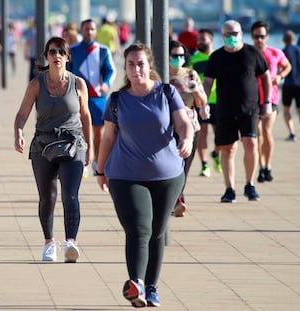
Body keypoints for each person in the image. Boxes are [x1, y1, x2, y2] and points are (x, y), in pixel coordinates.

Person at [96, 41, 194, 308]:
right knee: (139, 229)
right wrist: (100, 169)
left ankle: (152, 287)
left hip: (168, 175)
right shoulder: (117, 100)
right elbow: (108, 137)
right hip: (125, 175)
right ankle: (136, 284)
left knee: (157, 232)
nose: (136, 68)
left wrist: (186, 140)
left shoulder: (167, 92)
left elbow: (184, 122)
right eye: (130, 64)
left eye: (141, 63)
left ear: (149, 66)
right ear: (125, 68)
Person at [14, 37, 92, 263]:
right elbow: (22, 114)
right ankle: (49, 243)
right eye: (52, 52)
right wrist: (18, 131)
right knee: (47, 197)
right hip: (43, 146)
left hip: (73, 144)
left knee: (70, 195)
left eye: (61, 52)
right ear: (46, 57)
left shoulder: (78, 84)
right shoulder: (37, 84)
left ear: (67, 57)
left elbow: (86, 116)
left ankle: (71, 243)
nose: (56, 55)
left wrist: (90, 149)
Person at [203, 20, 272, 203]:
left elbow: (266, 77)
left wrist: (267, 102)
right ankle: (229, 188)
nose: (231, 37)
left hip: (249, 108)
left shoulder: (252, 53)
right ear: (222, 35)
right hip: (225, 109)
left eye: (234, 34)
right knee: (229, 149)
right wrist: (203, 104)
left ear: (241, 34)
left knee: (250, 143)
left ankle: (250, 185)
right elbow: (208, 82)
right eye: (227, 34)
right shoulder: (216, 57)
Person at [68, 19, 116, 174]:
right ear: (81, 30)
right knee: (78, 130)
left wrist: (106, 83)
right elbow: (67, 70)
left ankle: (97, 162)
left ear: (96, 31)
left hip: (97, 97)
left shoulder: (103, 50)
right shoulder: (73, 50)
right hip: (77, 97)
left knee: (98, 131)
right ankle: (81, 162)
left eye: (92, 29)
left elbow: (110, 70)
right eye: (86, 29)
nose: (89, 31)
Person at [169, 40, 208, 217]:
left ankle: (177, 200)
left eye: (181, 55)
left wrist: (195, 91)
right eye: (174, 55)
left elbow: (201, 102)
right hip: (168, 128)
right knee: (172, 166)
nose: (178, 59)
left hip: (191, 128)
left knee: (184, 166)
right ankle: (177, 200)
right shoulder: (160, 75)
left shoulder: (191, 75)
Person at [251, 21, 292, 183]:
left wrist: (280, 77)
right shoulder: (249, 54)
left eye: (262, 36)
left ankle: (267, 166)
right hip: (253, 99)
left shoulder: (275, 53)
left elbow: (287, 66)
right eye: (256, 36)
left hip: (271, 99)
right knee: (258, 134)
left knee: (267, 132)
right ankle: (261, 166)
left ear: (267, 37)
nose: (259, 40)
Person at [190, 28, 222, 177]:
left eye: (203, 39)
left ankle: (216, 153)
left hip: (219, 100)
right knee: (202, 133)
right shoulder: (194, 60)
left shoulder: (218, 57)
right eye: (198, 40)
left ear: (211, 40)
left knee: (221, 135)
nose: (200, 42)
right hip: (200, 101)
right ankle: (204, 165)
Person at [282, 30, 300, 141]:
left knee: (287, 110)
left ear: (284, 40)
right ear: (294, 39)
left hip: (288, 83)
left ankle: (292, 133)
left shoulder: (283, 52)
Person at [24, 17, 38, 82]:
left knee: (32, 71)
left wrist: (26, 53)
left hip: (33, 54)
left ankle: (31, 84)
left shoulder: (31, 32)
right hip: (40, 55)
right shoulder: (44, 32)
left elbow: (27, 43)